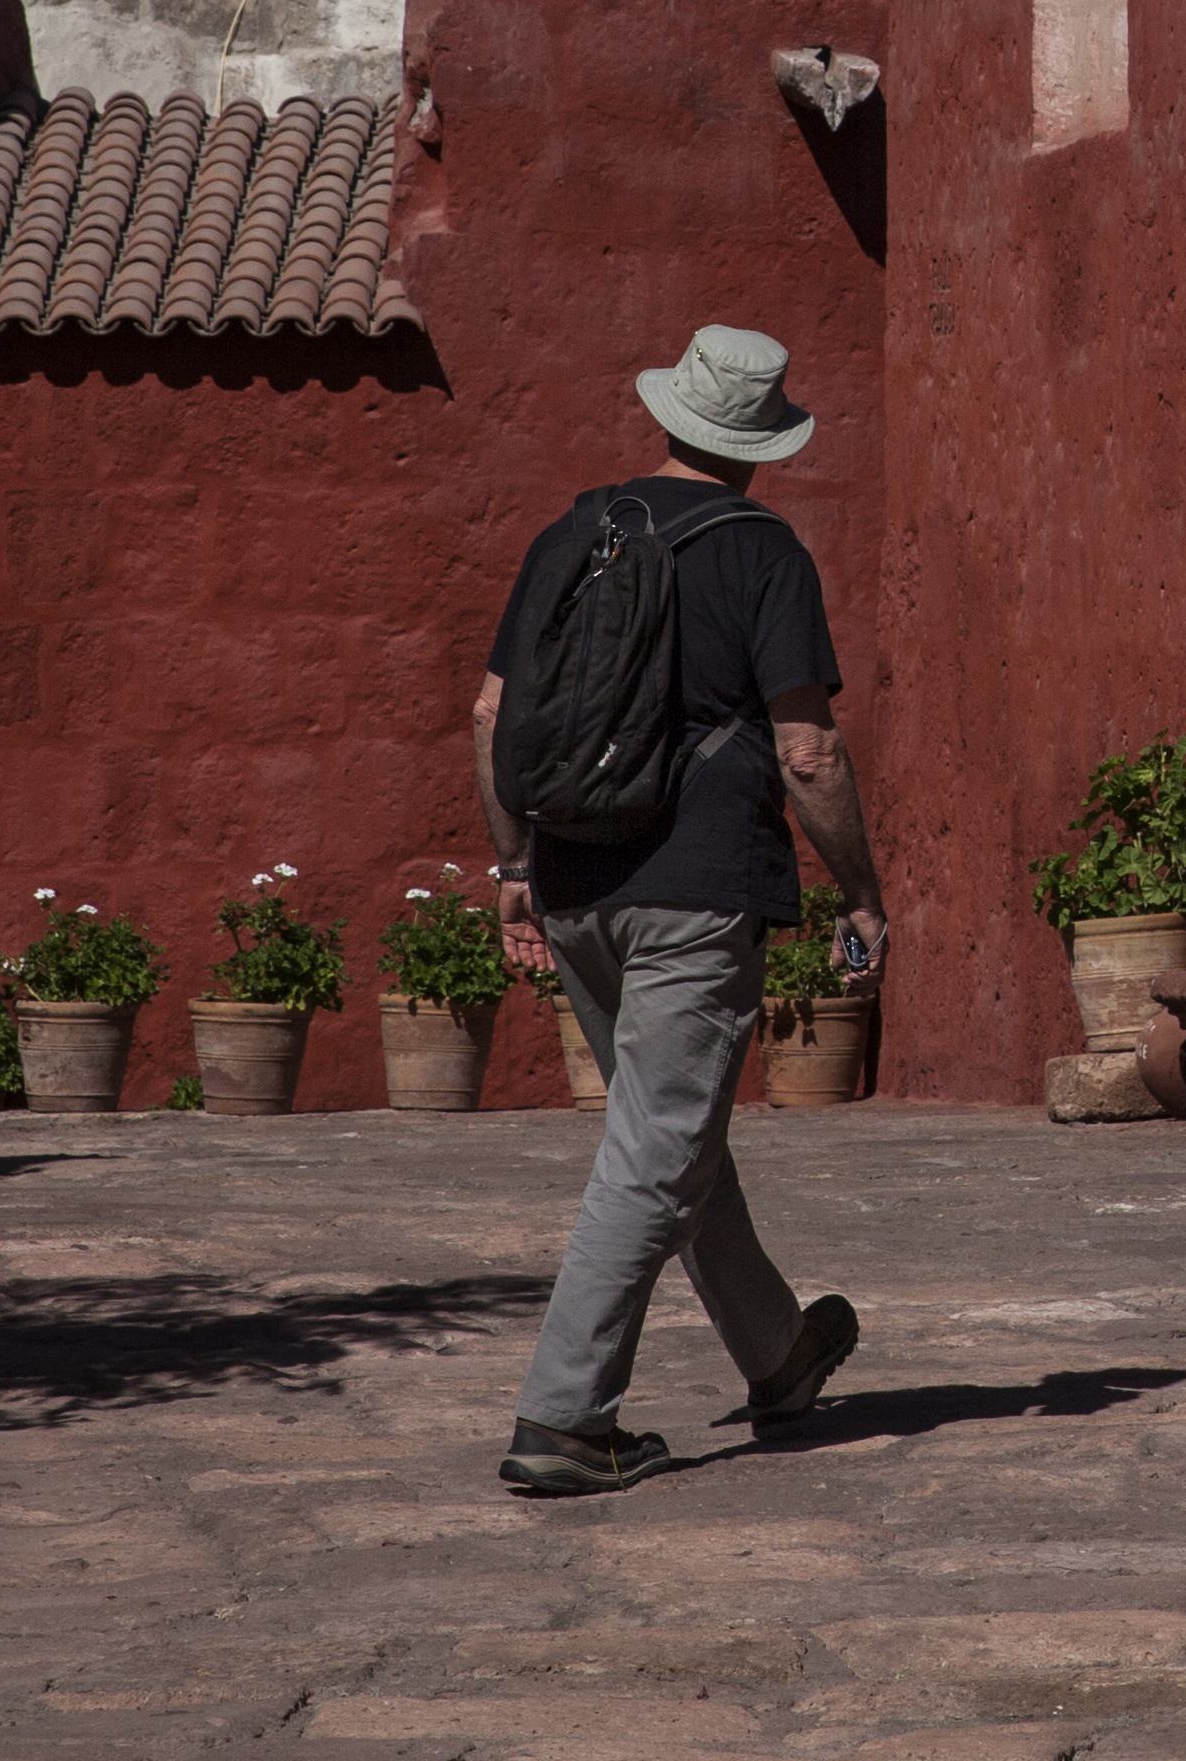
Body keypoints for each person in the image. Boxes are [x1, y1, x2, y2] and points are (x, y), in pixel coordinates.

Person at [475, 322, 888, 1496]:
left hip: (572, 880)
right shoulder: (765, 552)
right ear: (759, 442)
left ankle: (777, 1355)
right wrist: (861, 889)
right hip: (698, 894)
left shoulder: (574, 532)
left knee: (671, 1131)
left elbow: (488, 713)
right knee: (657, 1150)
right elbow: (805, 749)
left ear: (669, 416)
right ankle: (564, 1418)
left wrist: (513, 861)